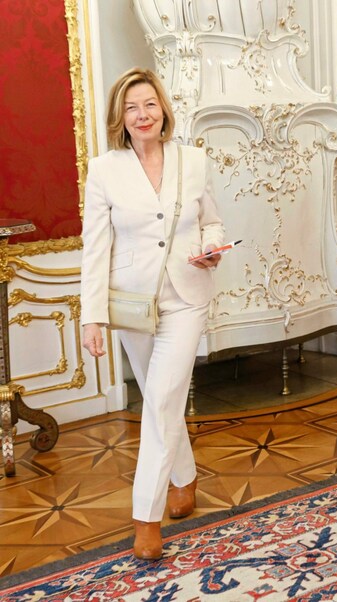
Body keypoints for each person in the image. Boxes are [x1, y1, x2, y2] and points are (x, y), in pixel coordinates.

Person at [80, 68, 224, 559]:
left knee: (160, 402)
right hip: (132, 305)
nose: (142, 115)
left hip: (187, 296)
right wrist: (91, 316)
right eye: (131, 108)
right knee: (162, 398)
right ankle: (184, 476)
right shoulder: (104, 170)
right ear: (120, 116)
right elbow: (95, 248)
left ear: (163, 108)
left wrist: (210, 245)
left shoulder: (194, 159)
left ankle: (146, 516)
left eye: (149, 104)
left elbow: (212, 219)